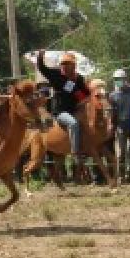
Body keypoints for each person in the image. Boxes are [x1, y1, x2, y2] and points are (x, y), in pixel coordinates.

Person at [37, 50, 92, 181]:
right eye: (64, 63)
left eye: (69, 64)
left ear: (74, 65)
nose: (65, 66)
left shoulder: (78, 78)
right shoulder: (55, 74)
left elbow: (87, 94)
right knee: (73, 123)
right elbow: (42, 68)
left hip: (74, 110)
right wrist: (40, 56)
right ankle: (75, 153)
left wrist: (83, 101)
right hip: (60, 112)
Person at [109, 69, 130, 184]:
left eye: (121, 79)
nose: (119, 81)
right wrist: (113, 126)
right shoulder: (112, 95)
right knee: (121, 153)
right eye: (117, 80)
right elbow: (112, 113)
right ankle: (121, 177)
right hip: (121, 126)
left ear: (125, 79)